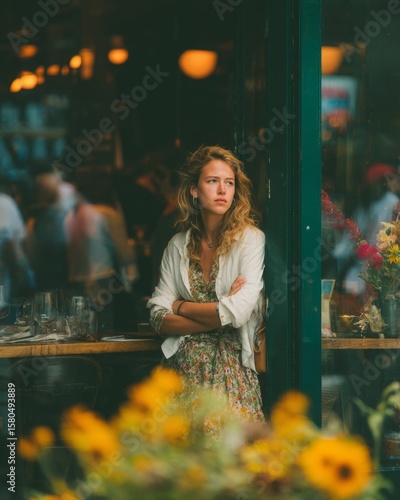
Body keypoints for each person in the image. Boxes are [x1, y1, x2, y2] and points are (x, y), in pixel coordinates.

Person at [147, 145, 266, 422]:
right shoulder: (178, 245)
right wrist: (218, 312)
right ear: (194, 190)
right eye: (212, 181)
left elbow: (238, 313)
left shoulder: (250, 239)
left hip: (230, 372)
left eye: (229, 183)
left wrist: (181, 306)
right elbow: (156, 316)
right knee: (179, 461)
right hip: (179, 372)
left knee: (233, 459)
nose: (222, 190)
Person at [333, 163, 400, 294]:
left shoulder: (391, 202)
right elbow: (352, 236)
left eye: (376, 184)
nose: (372, 188)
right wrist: (338, 253)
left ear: (382, 184)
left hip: (383, 265)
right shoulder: (365, 204)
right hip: (360, 266)